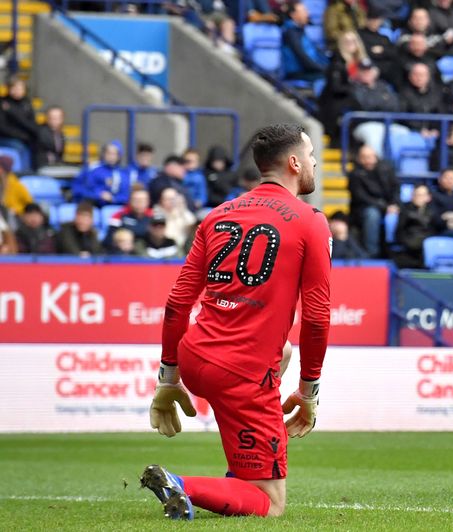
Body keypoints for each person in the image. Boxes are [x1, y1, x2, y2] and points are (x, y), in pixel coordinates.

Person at [141, 124, 330, 520]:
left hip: (195, 357)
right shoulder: (310, 221)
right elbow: (316, 318)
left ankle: (239, 473)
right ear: (294, 163)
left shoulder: (217, 215)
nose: (314, 162)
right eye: (311, 155)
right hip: (242, 371)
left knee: (283, 351)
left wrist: (168, 378)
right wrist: (309, 392)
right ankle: (180, 484)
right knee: (270, 503)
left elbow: (178, 303)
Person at [347, 144, 398, 258]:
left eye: (370, 156)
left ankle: (396, 252)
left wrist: (394, 204)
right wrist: (384, 207)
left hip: (387, 205)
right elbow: (360, 197)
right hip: (364, 208)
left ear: (375, 157)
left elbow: (395, 189)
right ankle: (371, 253)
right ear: (359, 159)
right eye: (364, 157)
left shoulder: (387, 169)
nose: (368, 160)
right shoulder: (355, 174)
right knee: (372, 214)